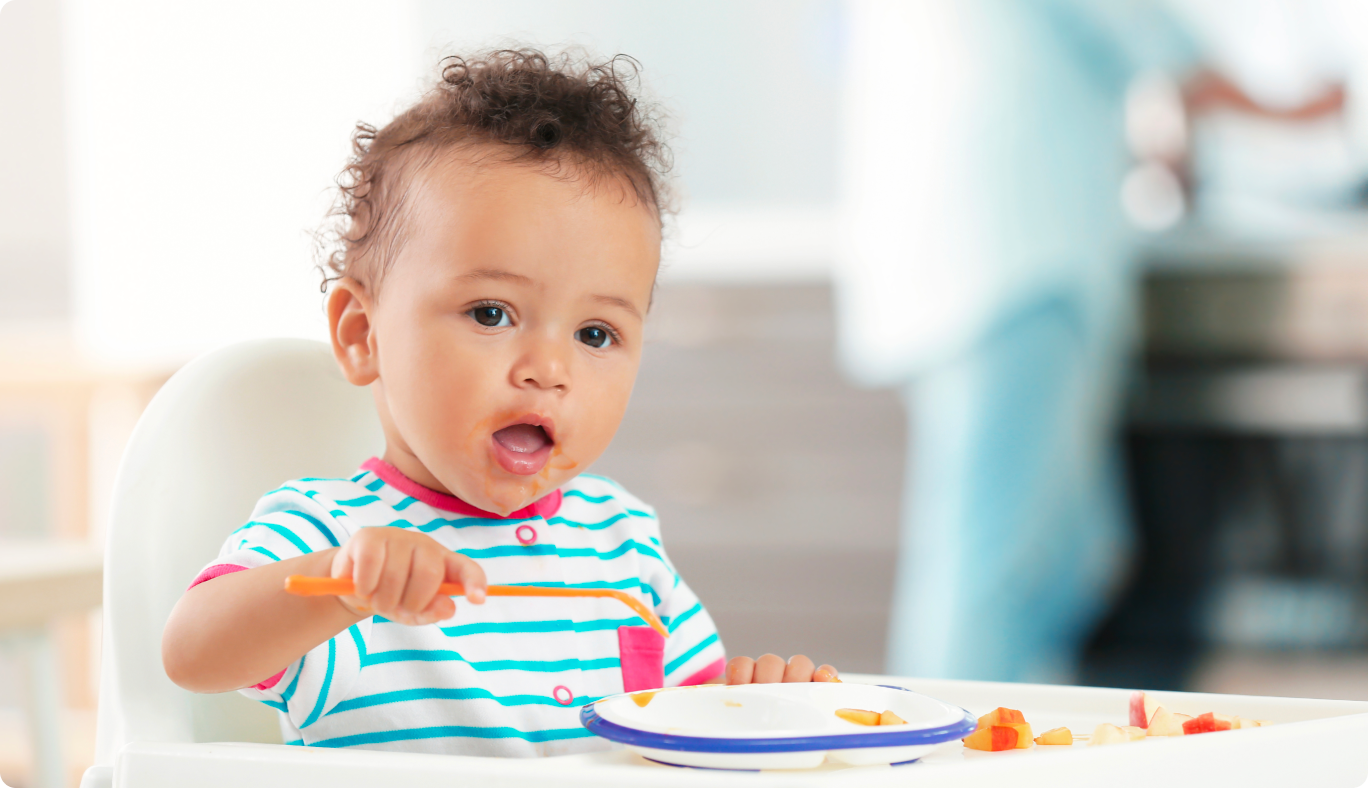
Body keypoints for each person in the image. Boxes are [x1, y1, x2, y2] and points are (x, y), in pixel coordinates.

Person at [161, 50, 837, 757]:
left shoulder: (623, 540)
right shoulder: (330, 533)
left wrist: (758, 701)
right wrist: (342, 585)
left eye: (595, 333)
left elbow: (685, 724)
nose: (548, 370)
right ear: (364, 336)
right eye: (490, 313)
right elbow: (191, 652)